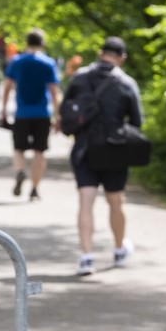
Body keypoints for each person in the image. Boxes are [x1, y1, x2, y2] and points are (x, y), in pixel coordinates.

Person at [58, 36, 143, 276]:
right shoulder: (126, 82)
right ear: (122, 57)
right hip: (114, 150)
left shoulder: (80, 77)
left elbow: (65, 111)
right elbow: (137, 121)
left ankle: (86, 257)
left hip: (84, 148)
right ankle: (118, 250)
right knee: (116, 201)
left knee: (86, 201)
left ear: (100, 53)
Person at [0, 28, 61, 201]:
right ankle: (35, 189)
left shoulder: (16, 61)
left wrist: (4, 110)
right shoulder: (48, 63)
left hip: (22, 113)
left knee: (19, 148)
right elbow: (54, 92)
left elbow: (6, 87)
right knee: (39, 152)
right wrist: (58, 116)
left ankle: (20, 171)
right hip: (42, 113)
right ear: (42, 44)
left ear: (26, 43)